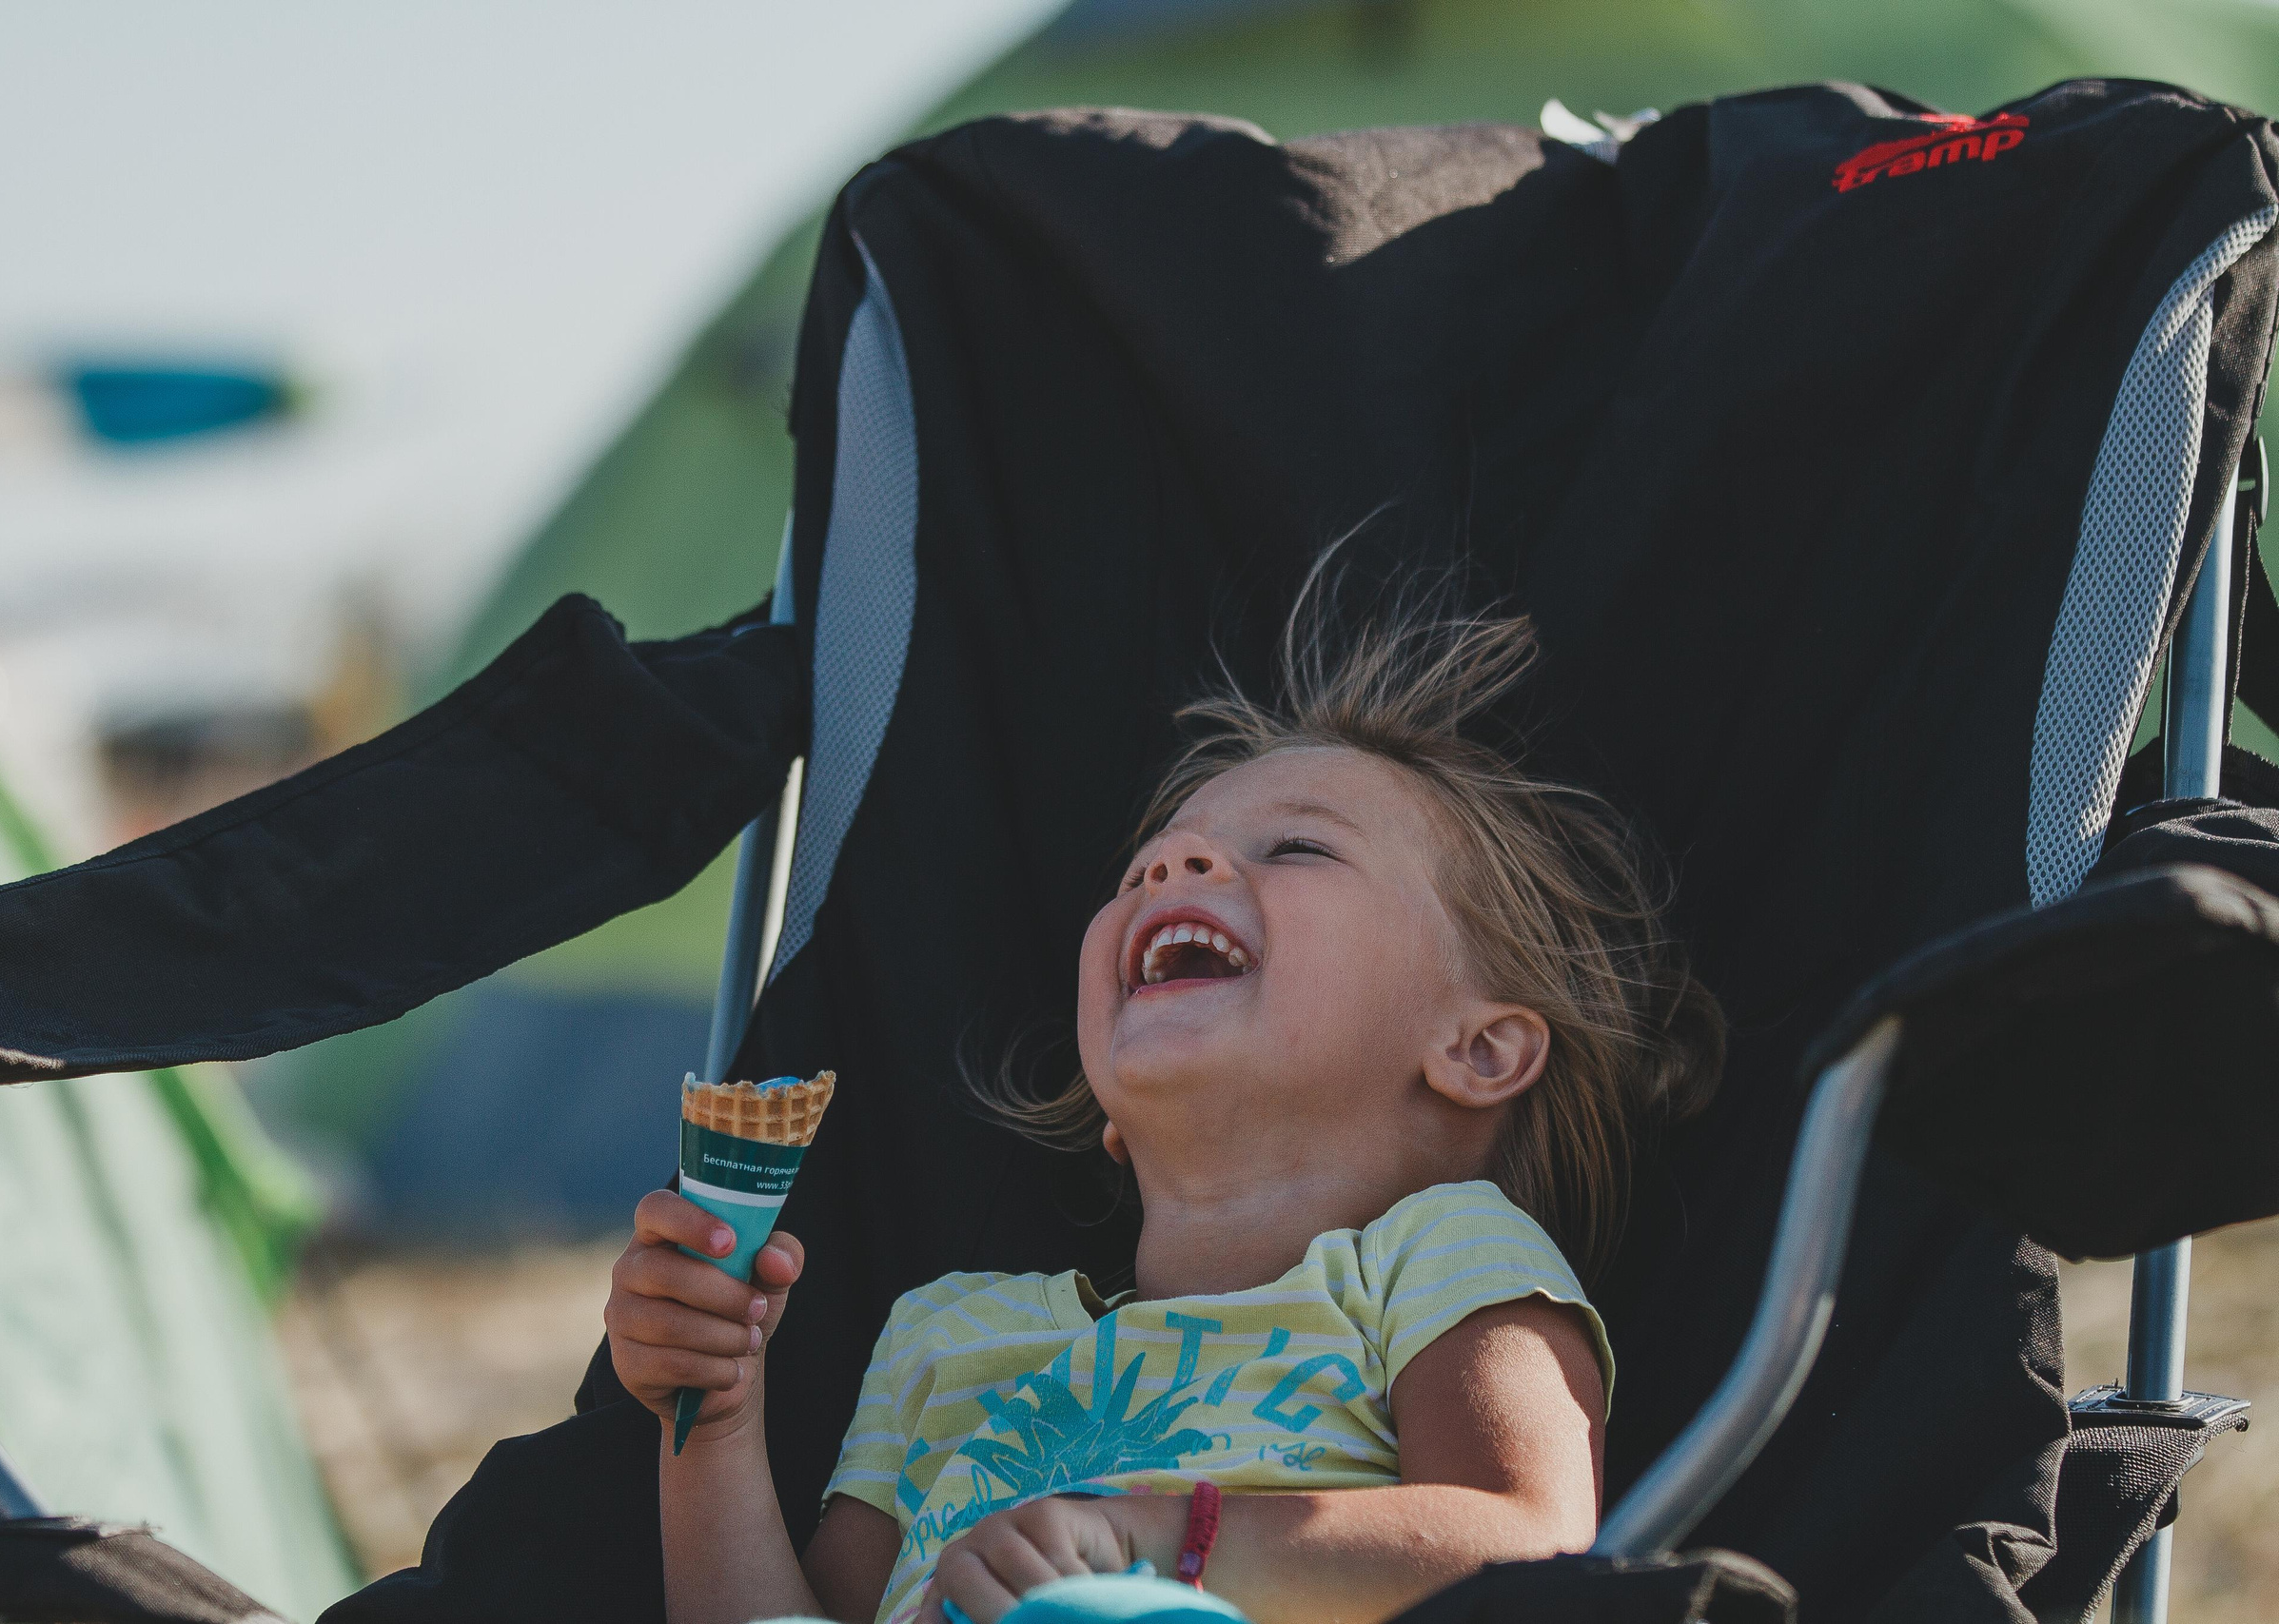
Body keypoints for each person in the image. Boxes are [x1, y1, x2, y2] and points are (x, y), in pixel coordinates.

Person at [602, 574, 1723, 1624]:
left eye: (1296, 847)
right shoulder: (948, 1334)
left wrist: (1151, 1541)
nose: (1171, 862)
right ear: (1111, 1113)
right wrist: (709, 1418)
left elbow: (1529, 1550)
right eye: (1149, 858)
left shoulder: (1440, 1257)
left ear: (1475, 1051)